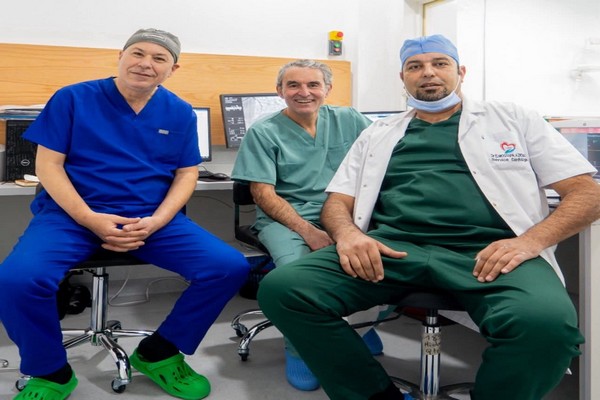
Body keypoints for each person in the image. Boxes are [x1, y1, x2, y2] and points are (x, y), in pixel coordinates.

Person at [257, 34, 600, 400]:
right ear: (402, 77)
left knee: (547, 326)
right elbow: (337, 202)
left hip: (490, 252)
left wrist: (530, 242)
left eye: (440, 63)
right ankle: (373, 395)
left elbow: (587, 194)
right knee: (284, 289)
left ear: (461, 72)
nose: (428, 73)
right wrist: (349, 235)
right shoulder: (378, 132)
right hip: (393, 249)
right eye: (415, 66)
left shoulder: (513, 119)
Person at [0, 28, 250, 400]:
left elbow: (186, 173)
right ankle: (51, 372)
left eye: (159, 58)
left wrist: (158, 220)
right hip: (71, 217)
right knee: (18, 279)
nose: (146, 64)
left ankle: (158, 353)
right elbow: (48, 165)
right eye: (138, 53)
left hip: (150, 220)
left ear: (173, 69)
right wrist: (89, 218)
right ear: (121, 56)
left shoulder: (179, 112)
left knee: (228, 267)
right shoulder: (73, 98)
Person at [231, 59, 382, 391]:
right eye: (293, 85)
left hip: (344, 212)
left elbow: (383, 156)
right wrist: (308, 231)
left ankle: (359, 329)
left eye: (313, 84)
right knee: (297, 278)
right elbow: (263, 194)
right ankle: (298, 349)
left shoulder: (349, 119)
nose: (304, 92)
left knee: (384, 261)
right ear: (280, 91)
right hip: (287, 217)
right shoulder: (264, 131)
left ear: (327, 89)